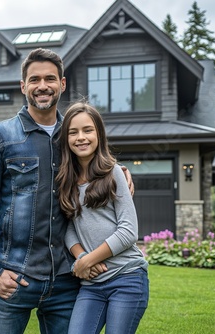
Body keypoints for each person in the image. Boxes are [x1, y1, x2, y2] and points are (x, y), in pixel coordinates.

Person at [0, 48, 132, 334]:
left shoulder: (73, 136)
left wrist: (122, 172)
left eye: (50, 79)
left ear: (62, 84)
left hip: (67, 280)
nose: (43, 86)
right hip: (13, 277)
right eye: (35, 79)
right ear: (23, 86)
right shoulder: (0, 137)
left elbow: (99, 162)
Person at [57, 101, 149, 334]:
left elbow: (128, 231)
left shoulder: (114, 172)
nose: (81, 137)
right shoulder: (65, 180)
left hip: (127, 278)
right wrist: (82, 258)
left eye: (88, 130)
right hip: (91, 285)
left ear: (99, 134)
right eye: (73, 132)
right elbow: (69, 227)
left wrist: (87, 261)